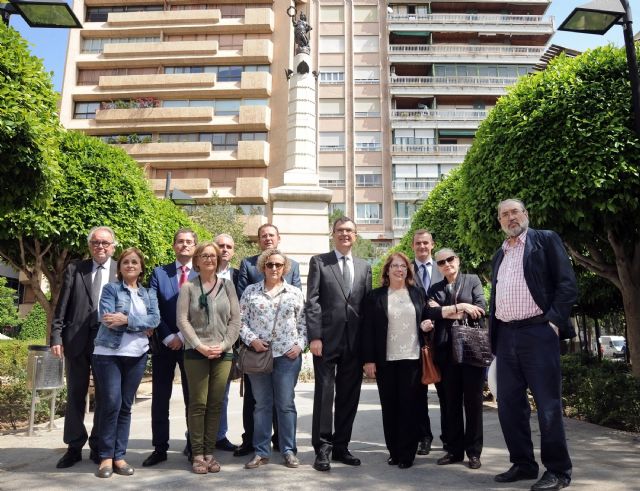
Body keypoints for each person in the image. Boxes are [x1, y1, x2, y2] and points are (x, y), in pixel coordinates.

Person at [491, 199, 577, 491]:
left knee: (548, 407)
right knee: (509, 407)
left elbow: (567, 284)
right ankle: (523, 463)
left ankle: (558, 471)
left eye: (515, 212)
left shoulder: (545, 240)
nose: (510, 217)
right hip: (506, 336)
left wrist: (553, 321)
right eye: (505, 214)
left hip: (538, 333)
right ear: (500, 221)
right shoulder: (499, 254)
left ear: (526, 214)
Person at [306, 216, 372, 472]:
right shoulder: (320, 262)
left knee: (349, 397)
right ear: (333, 234)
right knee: (324, 396)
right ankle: (323, 449)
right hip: (326, 340)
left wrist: (367, 348)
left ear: (355, 236)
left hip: (354, 343)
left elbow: (365, 308)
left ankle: (342, 447)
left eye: (350, 231)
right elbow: (312, 301)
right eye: (340, 230)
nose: (345, 234)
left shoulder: (365, 266)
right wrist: (314, 336)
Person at [50, 226, 118, 468]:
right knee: (76, 394)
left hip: (108, 343)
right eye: (96, 242)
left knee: (105, 396)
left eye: (105, 243)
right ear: (90, 246)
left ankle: (99, 447)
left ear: (113, 246)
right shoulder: (75, 269)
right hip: (76, 341)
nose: (100, 246)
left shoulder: (120, 270)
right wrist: (56, 337)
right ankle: (74, 446)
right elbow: (62, 306)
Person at [234, 223, 302, 457]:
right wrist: (251, 340)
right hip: (258, 355)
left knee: (285, 405)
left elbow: (304, 322)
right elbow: (239, 321)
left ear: (285, 268)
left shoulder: (294, 292)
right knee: (261, 405)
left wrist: (300, 344)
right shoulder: (251, 291)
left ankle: (288, 450)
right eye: (270, 264)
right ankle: (261, 451)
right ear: (263, 267)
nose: (274, 268)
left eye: (278, 265)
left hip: (287, 356)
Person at [93, 247, 160, 478]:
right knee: (111, 403)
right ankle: (105, 458)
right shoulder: (110, 289)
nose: (130, 265)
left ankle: (119, 456)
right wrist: (140, 324)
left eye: (134, 262)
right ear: (120, 268)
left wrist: (127, 319)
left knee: (125, 406)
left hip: (137, 354)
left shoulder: (148, 293)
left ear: (141, 267)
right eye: (125, 262)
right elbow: (108, 318)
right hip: (108, 354)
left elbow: (155, 319)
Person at [177, 241, 240, 474]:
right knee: (198, 404)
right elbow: (182, 320)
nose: (210, 259)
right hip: (196, 353)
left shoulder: (228, 286)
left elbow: (235, 319)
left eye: (213, 256)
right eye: (204, 255)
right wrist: (199, 345)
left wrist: (224, 345)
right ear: (197, 260)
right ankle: (197, 454)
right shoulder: (188, 288)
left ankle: (209, 453)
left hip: (224, 353)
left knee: (215, 405)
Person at [424, 248, 486, 470]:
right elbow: (430, 313)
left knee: (473, 403)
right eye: (441, 262)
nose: (447, 264)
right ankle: (454, 451)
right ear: (438, 266)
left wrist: (444, 311)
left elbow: (480, 308)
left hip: (471, 351)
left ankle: (474, 452)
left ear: (457, 260)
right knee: (450, 404)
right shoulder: (435, 288)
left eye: (450, 259)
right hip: (445, 353)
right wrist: (461, 307)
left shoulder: (472, 280)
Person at [362, 253, 425, 469]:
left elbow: (426, 318)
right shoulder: (375, 296)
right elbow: (367, 330)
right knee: (390, 407)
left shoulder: (417, 294)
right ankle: (394, 451)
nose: (399, 269)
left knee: (409, 407)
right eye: (395, 266)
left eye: (403, 266)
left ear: (408, 271)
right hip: (385, 360)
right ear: (387, 270)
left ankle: (407, 453)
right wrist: (369, 360)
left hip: (412, 358)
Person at [143, 229, 198, 467]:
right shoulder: (159, 273)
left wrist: (185, 336)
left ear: (195, 246)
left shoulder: (203, 273)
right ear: (174, 245)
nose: (184, 245)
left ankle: (194, 446)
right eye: (180, 242)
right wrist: (167, 336)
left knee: (193, 398)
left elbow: (203, 311)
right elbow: (152, 307)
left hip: (191, 345)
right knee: (160, 398)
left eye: (189, 242)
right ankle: (159, 447)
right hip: (164, 345)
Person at [411, 229, 444, 456]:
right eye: (418, 243)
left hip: (443, 339)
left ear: (432, 244)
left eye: (426, 243)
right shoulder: (405, 270)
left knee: (447, 393)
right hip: (414, 340)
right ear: (413, 246)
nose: (422, 247)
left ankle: (450, 438)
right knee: (418, 394)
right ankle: (424, 437)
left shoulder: (443, 267)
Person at [213, 233, 239, 452]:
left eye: (228, 246)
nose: (224, 249)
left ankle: (219, 436)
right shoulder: (200, 273)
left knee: (223, 393)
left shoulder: (239, 276)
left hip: (229, 343)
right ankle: (195, 439)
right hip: (200, 343)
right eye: (220, 245)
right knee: (198, 396)